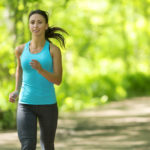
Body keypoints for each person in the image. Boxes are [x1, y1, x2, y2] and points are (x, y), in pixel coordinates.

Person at [9, 9, 68, 150]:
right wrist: (16, 90)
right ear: (29, 25)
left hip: (48, 104)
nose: (36, 25)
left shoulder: (53, 50)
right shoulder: (20, 50)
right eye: (32, 22)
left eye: (39, 22)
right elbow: (20, 69)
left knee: (47, 146)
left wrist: (41, 70)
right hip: (25, 104)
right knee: (27, 145)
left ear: (46, 25)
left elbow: (58, 80)